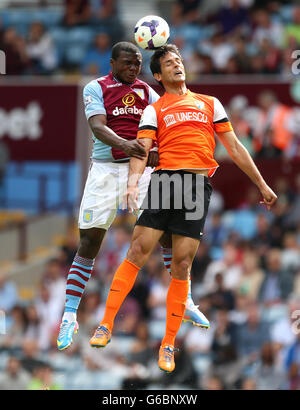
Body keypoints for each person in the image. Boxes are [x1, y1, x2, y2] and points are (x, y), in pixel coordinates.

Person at [89, 44, 277, 373]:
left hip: (195, 186)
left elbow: (234, 148)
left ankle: (168, 345)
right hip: (163, 183)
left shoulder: (210, 103)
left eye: (179, 60)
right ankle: (105, 324)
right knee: (137, 250)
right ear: (159, 75)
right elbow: (141, 150)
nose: (178, 66)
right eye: (169, 63)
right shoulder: (155, 109)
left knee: (182, 264)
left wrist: (262, 184)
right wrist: (133, 183)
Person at [57, 42, 206, 351]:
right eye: (127, 62)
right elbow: (98, 127)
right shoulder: (95, 87)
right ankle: (70, 313)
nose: (133, 68)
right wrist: (127, 145)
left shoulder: (149, 93)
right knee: (89, 242)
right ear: (112, 63)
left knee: (166, 234)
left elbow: (159, 132)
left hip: (140, 170)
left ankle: (187, 298)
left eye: (137, 63)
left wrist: (154, 155)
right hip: (105, 171)